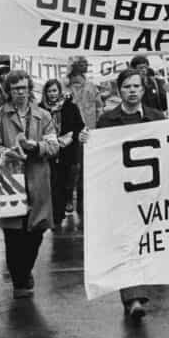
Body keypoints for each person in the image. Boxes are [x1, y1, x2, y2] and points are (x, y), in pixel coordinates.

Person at [84, 68, 168, 321]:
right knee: (126, 243)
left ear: (144, 90)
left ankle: (138, 293)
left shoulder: (156, 117)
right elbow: (102, 156)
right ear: (119, 90)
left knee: (146, 243)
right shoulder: (108, 121)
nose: (132, 91)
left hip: (150, 191)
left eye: (137, 87)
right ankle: (133, 298)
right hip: (121, 192)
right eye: (128, 87)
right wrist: (88, 140)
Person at [0, 71, 60, 299]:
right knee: (13, 233)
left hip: (37, 178)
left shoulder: (44, 116)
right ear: (8, 91)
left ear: (30, 90)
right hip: (11, 178)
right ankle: (19, 280)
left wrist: (35, 147)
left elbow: (54, 146)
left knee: (36, 230)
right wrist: (6, 152)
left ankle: (25, 270)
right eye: (16, 88)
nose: (21, 93)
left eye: (24, 88)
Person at [40, 78, 85, 229]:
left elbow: (79, 125)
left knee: (67, 182)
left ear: (59, 91)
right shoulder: (41, 108)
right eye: (49, 91)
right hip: (49, 152)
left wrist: (70, 137)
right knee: (54, 183)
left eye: (54, 91)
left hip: (68, 151)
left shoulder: (70, 107)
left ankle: (66, 204)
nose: (52, 94)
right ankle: (56, 217)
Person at [67, 59, 106, 220]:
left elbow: (99, 107)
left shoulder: (90, 87)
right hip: (75, 132)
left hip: (87, 132)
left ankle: (78, 200)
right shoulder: (68, 86)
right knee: (75, 168)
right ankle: (71, 199)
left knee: (81, 168)